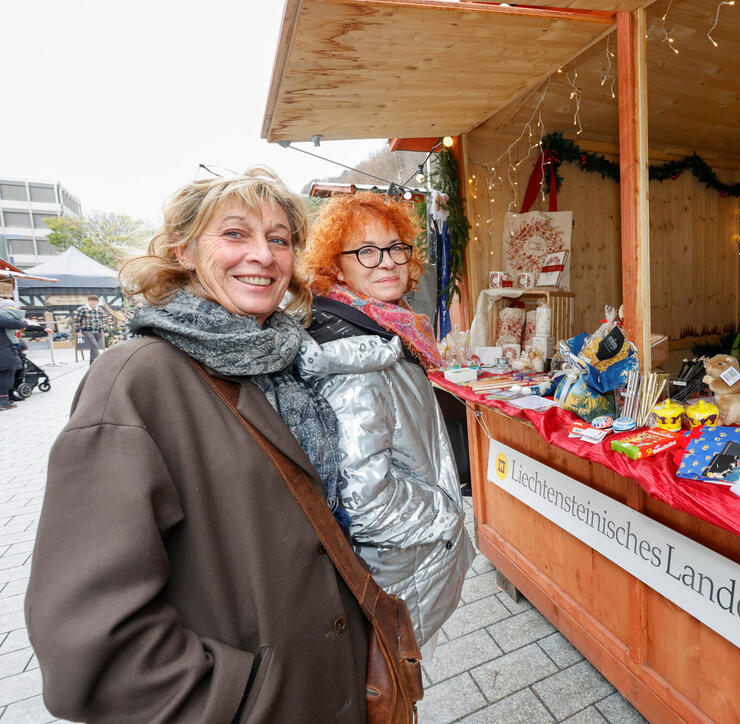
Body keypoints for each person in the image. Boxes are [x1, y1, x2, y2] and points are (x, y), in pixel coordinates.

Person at [25, 169, 372, 722]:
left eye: (279, 239)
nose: (262, 254)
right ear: (183, 251)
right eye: (235, 234)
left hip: (330, 688)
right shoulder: (137, 380)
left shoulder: (286, 360)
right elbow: (88, 643)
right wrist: (232, 701)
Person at [298, 191, 473, 651]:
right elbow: (366, 503)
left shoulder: (383, 331)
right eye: (366, 251)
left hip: (404, 564)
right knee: (393, 685)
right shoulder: (356, 360)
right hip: (399, 569)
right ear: (335, 265)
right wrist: (447, 514)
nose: (387, 263)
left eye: (396, 247)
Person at [0, 299, 49, 410]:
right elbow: (14, 323)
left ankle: (8, 396)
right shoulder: (3, 317)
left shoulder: (5, 317)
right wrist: (22, 323)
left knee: (10, 372)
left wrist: (42, 328)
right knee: (4, 373)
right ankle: (2, 401)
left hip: (7, 348)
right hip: (3, 348)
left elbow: (20, 324)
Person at [72, 294, 113, 363]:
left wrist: (105, 331)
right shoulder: (82, 309)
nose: (93, 302)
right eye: (91, 301)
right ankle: (100, 360)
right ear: (88, 301)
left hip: (98, 331)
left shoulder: (100, 310)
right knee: (95, 345)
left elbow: (104, 321)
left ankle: (91, 362)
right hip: (87, 331)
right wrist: (78, 330)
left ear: (97, 302)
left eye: (94, 301)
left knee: (93, 347)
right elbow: (77, 320)